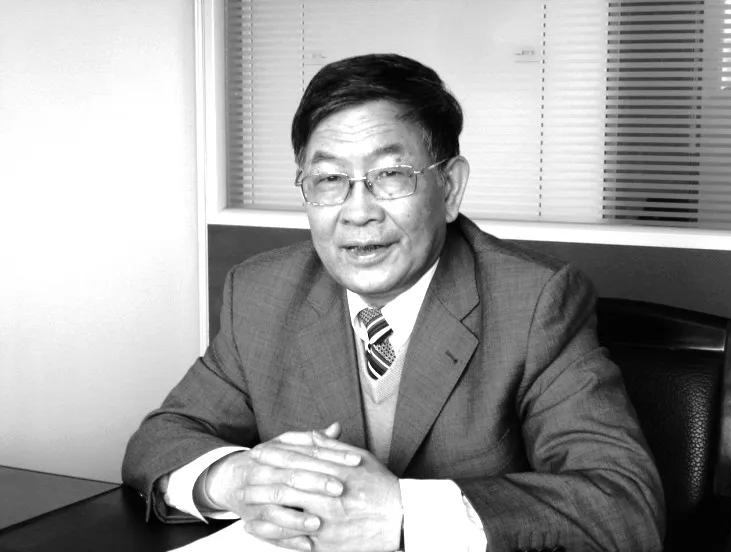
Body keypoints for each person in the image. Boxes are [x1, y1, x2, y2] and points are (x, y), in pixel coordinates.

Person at [122, 53, 665, 552]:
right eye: (329, 179)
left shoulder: (536, 302)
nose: (358, 212)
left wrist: (402, 514)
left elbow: (623, 506)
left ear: (449, 189)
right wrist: (236, 479)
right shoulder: (262, 292)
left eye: (390, 176)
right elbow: (159, 439)